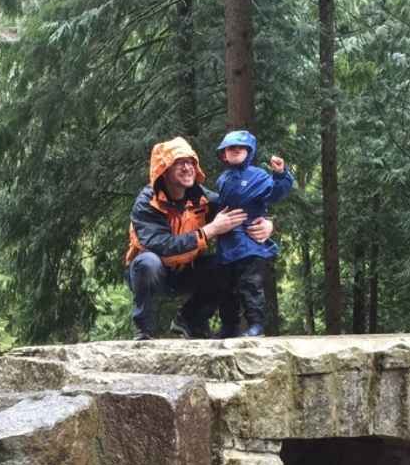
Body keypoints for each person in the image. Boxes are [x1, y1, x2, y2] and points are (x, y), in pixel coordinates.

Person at [124, 136, 274, 340]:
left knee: (225, 265)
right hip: (154, 271)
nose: (187, 168)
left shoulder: (201, 196)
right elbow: (162, 246)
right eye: (179, 163)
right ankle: (144, 330)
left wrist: (266, 224)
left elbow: (238, 209)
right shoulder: (146, 202)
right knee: (148, 262)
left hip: (188, 269)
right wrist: (209, 231)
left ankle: (190, 320)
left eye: (191, 162)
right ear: (164, 169)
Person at [213, 130, 295, 337]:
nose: (236, 150)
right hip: (226, 241)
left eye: (241, 147)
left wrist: (281, 174)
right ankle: (229, 326)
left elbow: (276, 193)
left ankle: (256, 324)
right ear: (223, 154)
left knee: (250, 284)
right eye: (231, 147)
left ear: (249, 151)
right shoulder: (222, 180)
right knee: (226, 287)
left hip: (250, 240)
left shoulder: (258, 175)